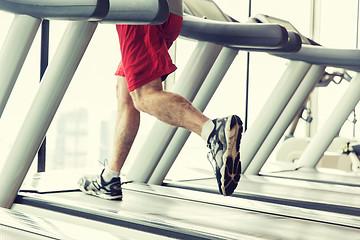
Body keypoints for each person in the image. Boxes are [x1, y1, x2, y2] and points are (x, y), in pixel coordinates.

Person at [78, 0, 243, 199]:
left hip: (141, 12)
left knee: (144, 94)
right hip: (168, 12)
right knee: (127, 94)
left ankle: (212, 130)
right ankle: (110, 178)